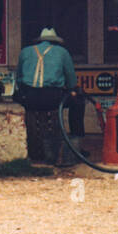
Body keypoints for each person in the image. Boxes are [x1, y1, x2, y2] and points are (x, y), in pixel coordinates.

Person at [14, 27, 86, 164]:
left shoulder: (25, 51)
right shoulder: (62, 52)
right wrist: (72, 89)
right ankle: (76, 141)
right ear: (55, 42)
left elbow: (18, 78)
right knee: (78, 102)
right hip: (52, 98)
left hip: (29, 98)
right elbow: (71, 81)